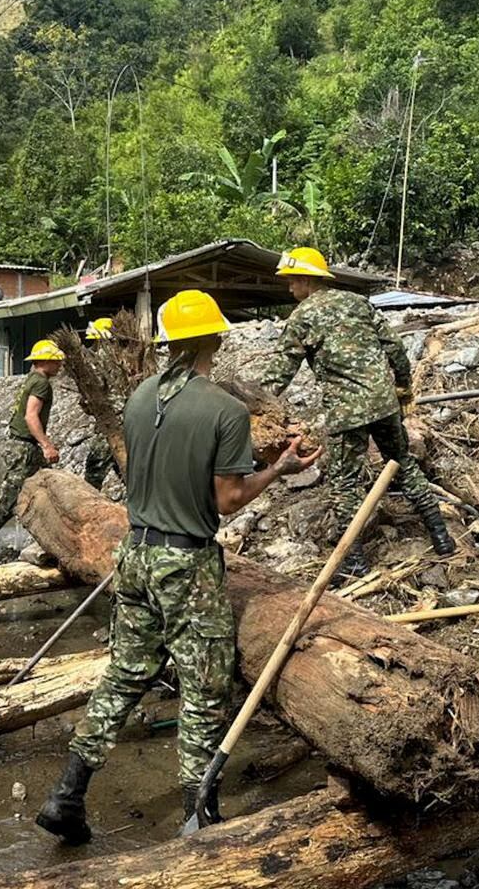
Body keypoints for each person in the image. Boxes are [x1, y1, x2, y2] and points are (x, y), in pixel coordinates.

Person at [36, 289, 321, 843]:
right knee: (204, 682)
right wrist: (278, 470)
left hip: (136, 553)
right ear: (216, 336)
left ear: (169, 343)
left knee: (124, 674)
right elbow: (227, 500)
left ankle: (67, 793)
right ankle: (199, 811)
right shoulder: (225, 410)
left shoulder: (141, 397)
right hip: (186, 562)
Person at [260, 247, 455, 575]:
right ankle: (442, 537)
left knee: (345, 484)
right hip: (384, 402)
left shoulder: (302, 317)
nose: (289, 288)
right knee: (403, 464)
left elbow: (279, 374)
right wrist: (404, 387)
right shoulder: (357, 303)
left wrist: (257, 409)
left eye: (292, 281)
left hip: (346, 412)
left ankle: (355, 563)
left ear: (307, 279)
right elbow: (394, 346)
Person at [0, 339, 65, 568]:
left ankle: (47, 541)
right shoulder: (41, 384)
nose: (60, 365)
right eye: (56, 361)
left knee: (46, 490)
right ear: (45, 361)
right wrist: (47, 445)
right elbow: (30, 416)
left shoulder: (32, 379)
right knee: (8, 501)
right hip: (24, 448)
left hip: (22, 446)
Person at [82, 318, 124, 493]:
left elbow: (95, 394)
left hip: (111, 422)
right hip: (125, 418)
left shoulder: (101, 361)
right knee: (124, 468)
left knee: (93, 473)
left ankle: (85, 511)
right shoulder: (122, 357)